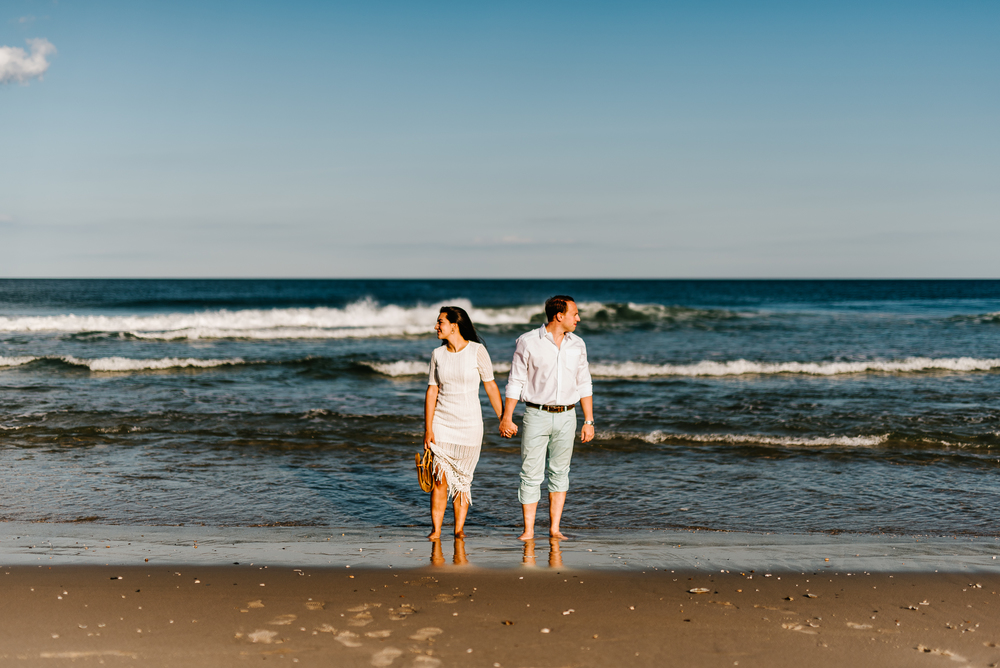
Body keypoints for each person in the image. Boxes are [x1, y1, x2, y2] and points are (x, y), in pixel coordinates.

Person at [499, 295, 594, 540]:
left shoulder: (578, 344)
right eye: (575, 314)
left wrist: (589, 420)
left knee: (560, 472)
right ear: (559, 316)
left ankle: (554, 529)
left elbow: (584, 383)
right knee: (530, 473)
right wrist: (506, 417)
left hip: (567, 415)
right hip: (536, 414)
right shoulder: (528, 341)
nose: (578, 318)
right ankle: (528, 531)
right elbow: (515, 381)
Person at [424, 305, 504, 540]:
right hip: (442, 423)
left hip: (469, 425)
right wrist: (428, 429)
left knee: (462, 480)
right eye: (438, 322)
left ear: (454, 325)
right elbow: (432, 392)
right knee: (439, 479)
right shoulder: (437, 355)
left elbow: (490, 385)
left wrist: (503, 418)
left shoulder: (477, 351)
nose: (436, 326)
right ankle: (436, 530)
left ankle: (459, 529)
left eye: (440, 322)